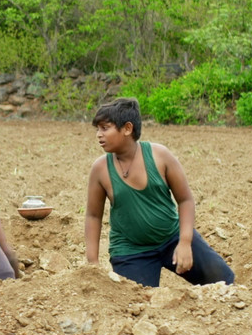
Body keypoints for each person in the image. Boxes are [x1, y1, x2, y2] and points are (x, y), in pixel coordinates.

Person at [85, 97, 235, 287]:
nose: (99, 135)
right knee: (136, 300)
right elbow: (93, 216)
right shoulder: (100, 169)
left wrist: (185, 242)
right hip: (131, 251)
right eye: (97, 129)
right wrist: (93, 264)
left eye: (105, 128)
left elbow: (185, 200)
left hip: (172, 237)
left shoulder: (160, 156)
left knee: (225, 282)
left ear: (127, 128)